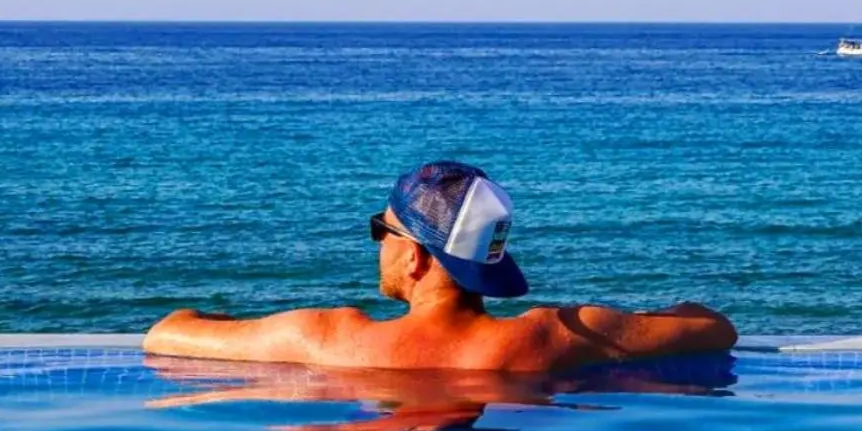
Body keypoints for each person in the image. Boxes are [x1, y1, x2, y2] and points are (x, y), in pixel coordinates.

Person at [144, 159, 737, 372]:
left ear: (418, 255)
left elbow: (168, 334)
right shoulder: (555, 337)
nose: (377, 243)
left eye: (383, 230)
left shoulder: (327, 341)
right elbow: (713, 327)